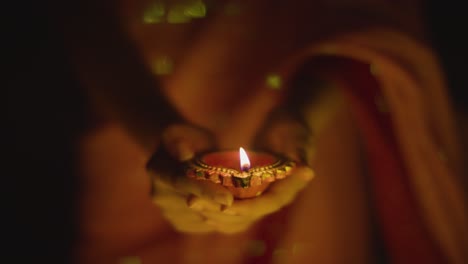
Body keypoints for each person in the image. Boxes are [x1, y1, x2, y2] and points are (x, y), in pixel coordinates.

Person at [9, 0, 465, 263]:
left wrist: (302, 111)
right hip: (131, 135)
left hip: (317, 133)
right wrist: (159, 132)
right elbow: (84, 21)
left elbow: (366, 15)